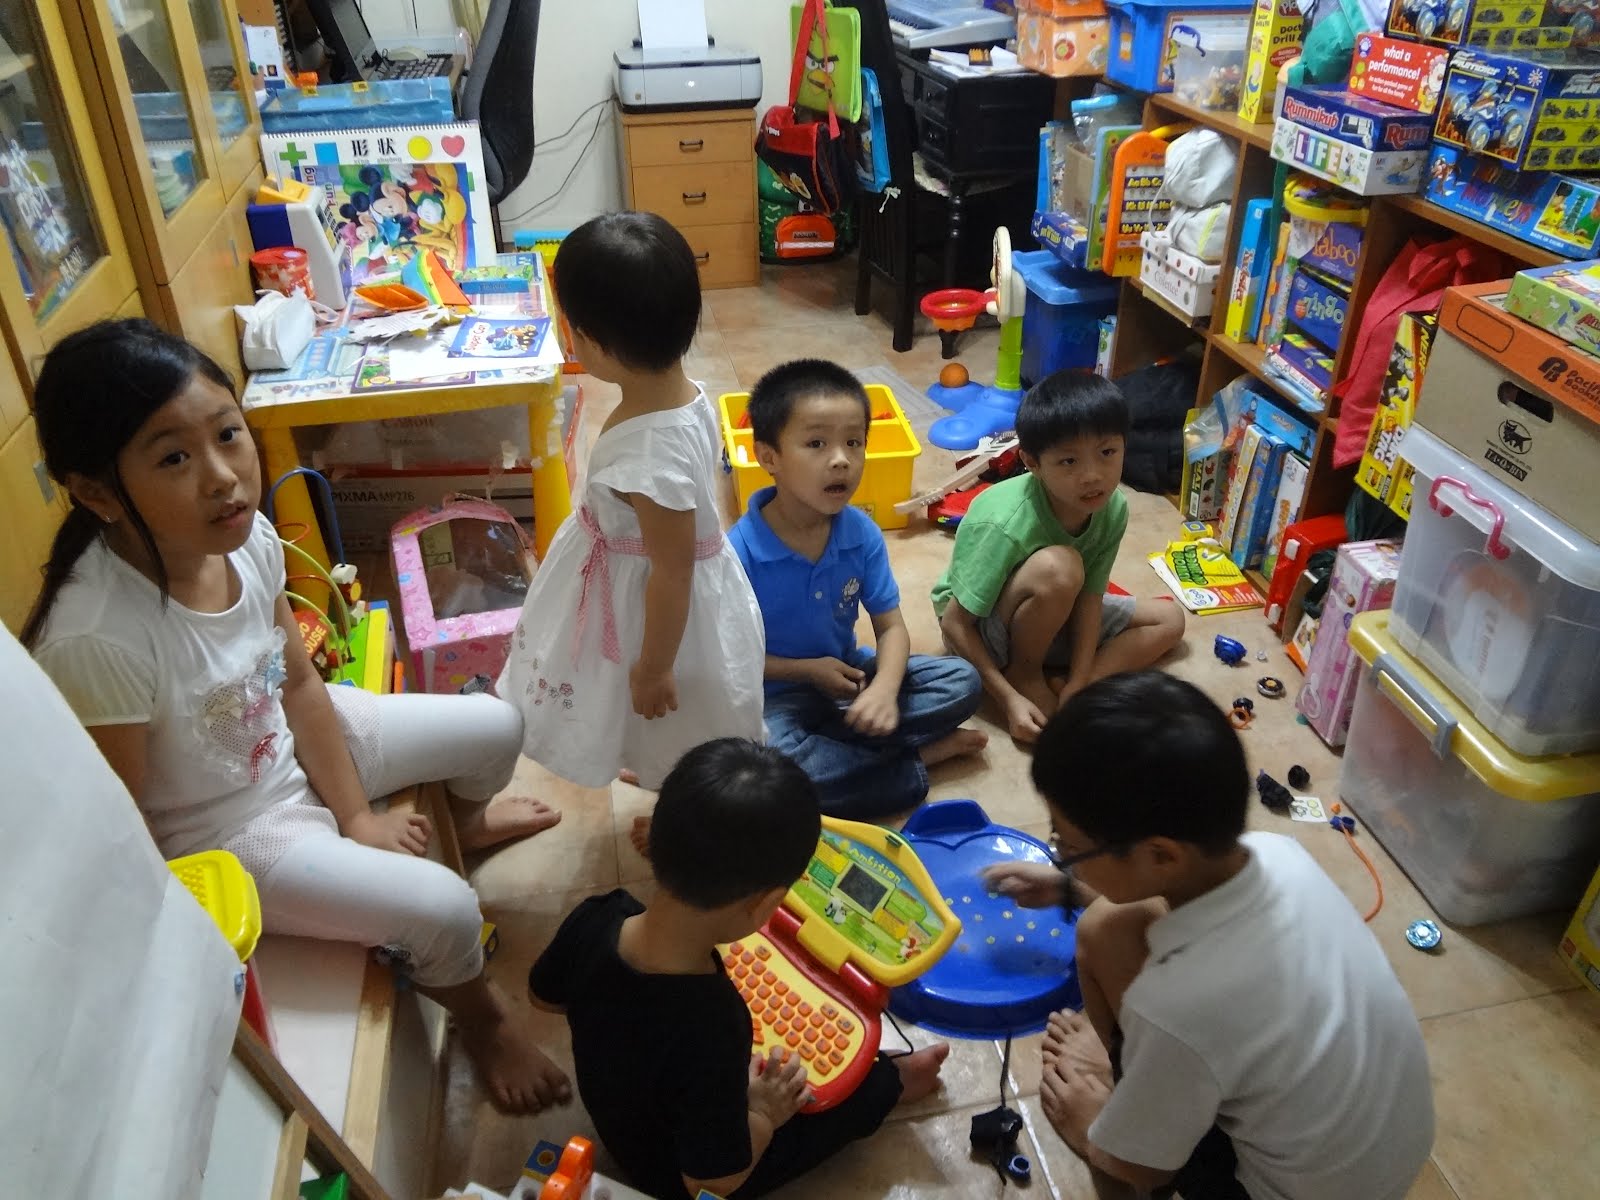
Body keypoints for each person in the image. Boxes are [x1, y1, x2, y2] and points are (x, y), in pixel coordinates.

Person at [23, 319, 569, 1116]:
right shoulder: (98, 636)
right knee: (446, 909)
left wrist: (355, 815)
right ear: (98, 492)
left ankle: (469, 822)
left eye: (228, 435)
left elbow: (302, 686)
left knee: (500, 725)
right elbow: (127, 827)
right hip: (233, 829)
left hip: (287, 734)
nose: (224, 477)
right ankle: (484, 1023)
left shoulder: (247, 540)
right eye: (173, 457)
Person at [986, 672, 1435, 1200]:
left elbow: (1146, 1172)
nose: (1059, 851)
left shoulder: (1174, 1006)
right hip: (1381, 1151)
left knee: (1129, 1132)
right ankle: (1141, 1084)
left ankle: (1128, 1096)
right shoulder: (1278, 853)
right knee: (1105, 925)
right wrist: (1072, 886)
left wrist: (1093, 1128)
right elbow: (1165, 900)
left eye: (1069, 844)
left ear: (1160, 854)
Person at [530, 738, 949, 1200]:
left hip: (621, 1120)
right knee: (852, 1097)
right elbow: (709, 1182)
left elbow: (543, 996)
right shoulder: (711, 1024)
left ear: (655, 843)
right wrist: (764, 1114)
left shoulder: (598, 914)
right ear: (765, 904)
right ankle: (895, 1082)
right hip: (668, 1175)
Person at [497, 212, 764, 798]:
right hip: (641, 582)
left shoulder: (650, 453)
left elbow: (671, 569)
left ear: (591, 341)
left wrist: (654, 665)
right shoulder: (680, 392)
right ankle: (657, 766)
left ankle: (685, 802)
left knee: (668, 709)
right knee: (652, 713)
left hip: (659, 612)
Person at [727, 359, 986, 819]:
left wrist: (884, 689)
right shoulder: (737, 554)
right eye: (816, 443)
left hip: (848, 676)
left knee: (961, 681)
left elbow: (891, 629)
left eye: (853, 442)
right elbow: (728, 659)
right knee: (773, 772)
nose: (841, 459)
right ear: (768, 457)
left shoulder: (861, 533)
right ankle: (916, 760)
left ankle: (845, 747)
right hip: (774, 696)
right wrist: (806, 671)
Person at [931, 372, 1185, 744]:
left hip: (1055, 608)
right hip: (983, 626)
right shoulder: (1003, 520)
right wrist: (1009, 699)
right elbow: (954, 624)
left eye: (1107, 452)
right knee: (1061, 566)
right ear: (1032, 463)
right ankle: (1026, 672)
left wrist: (1081, 679)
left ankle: (1076, 687)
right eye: (1068, 461)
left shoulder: (1112, 508)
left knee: (1169, 619)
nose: (1092, 476)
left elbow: (1090, 597)